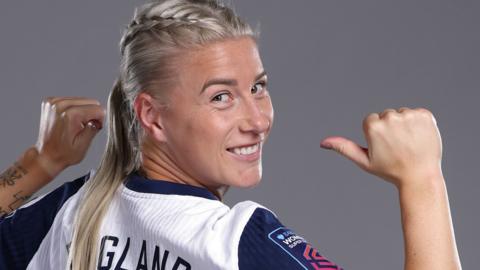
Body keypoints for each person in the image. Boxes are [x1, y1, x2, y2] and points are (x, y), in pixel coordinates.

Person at [0, 0, 461, 269]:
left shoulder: (74, 213)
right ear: (152, 117)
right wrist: (422, 182)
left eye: (258, 88)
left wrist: (41, 163)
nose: (258, 120)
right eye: (221, 97)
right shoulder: (234, 243)